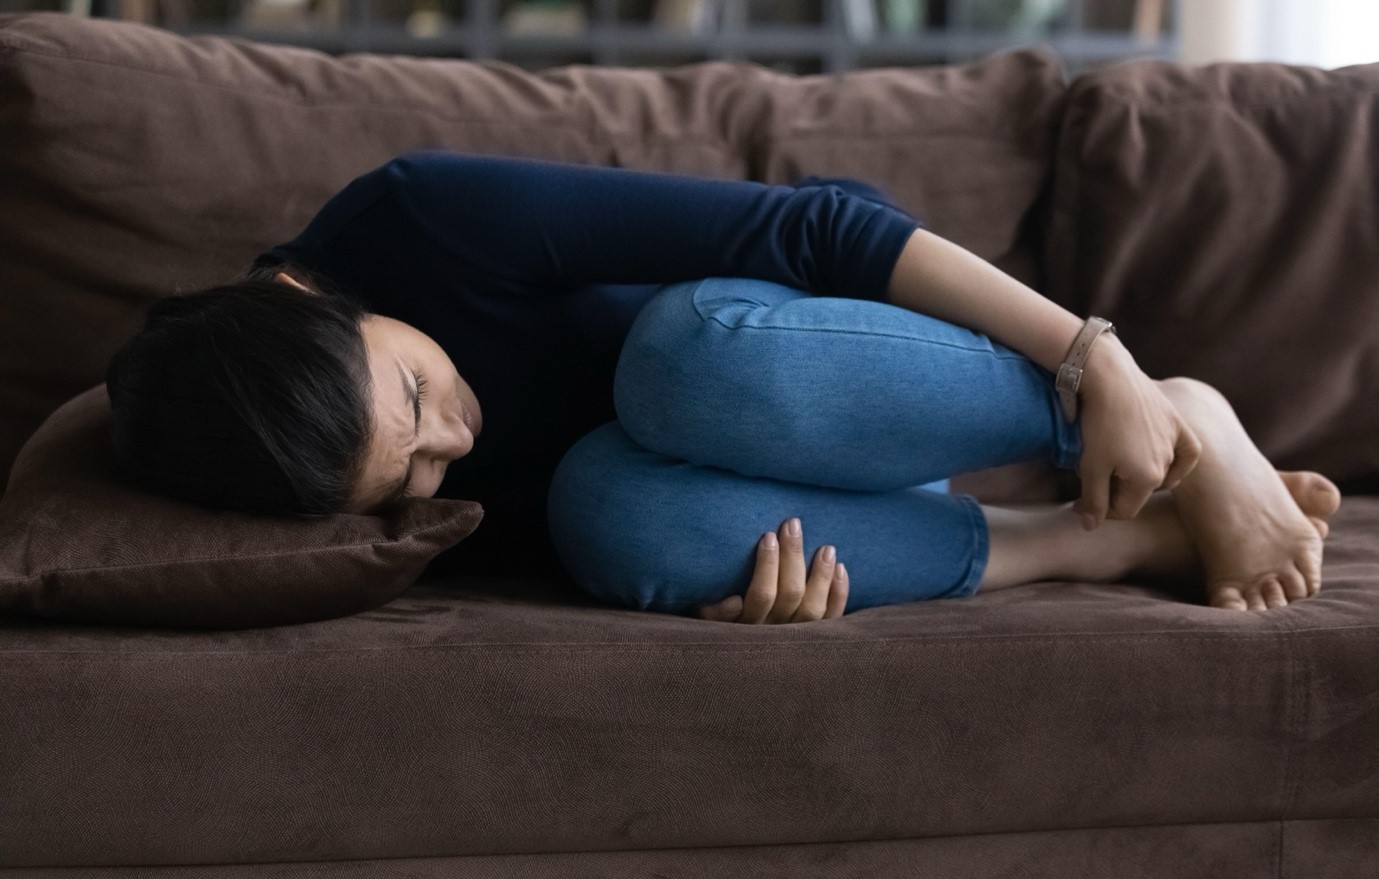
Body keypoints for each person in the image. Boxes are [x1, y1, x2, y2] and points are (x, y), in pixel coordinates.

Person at [104, 150, 1341, 624]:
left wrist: (1097, 359)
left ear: (314, 302)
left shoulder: (415, 218)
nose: (454, 445)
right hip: (816, 484)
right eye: (411, 473)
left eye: (419, 399)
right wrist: (746, 584)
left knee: (675, 360)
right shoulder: (292, 458)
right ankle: (1101, 548)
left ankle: (1185, 418)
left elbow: (819, 231)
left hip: (819, 366)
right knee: (607, 518)